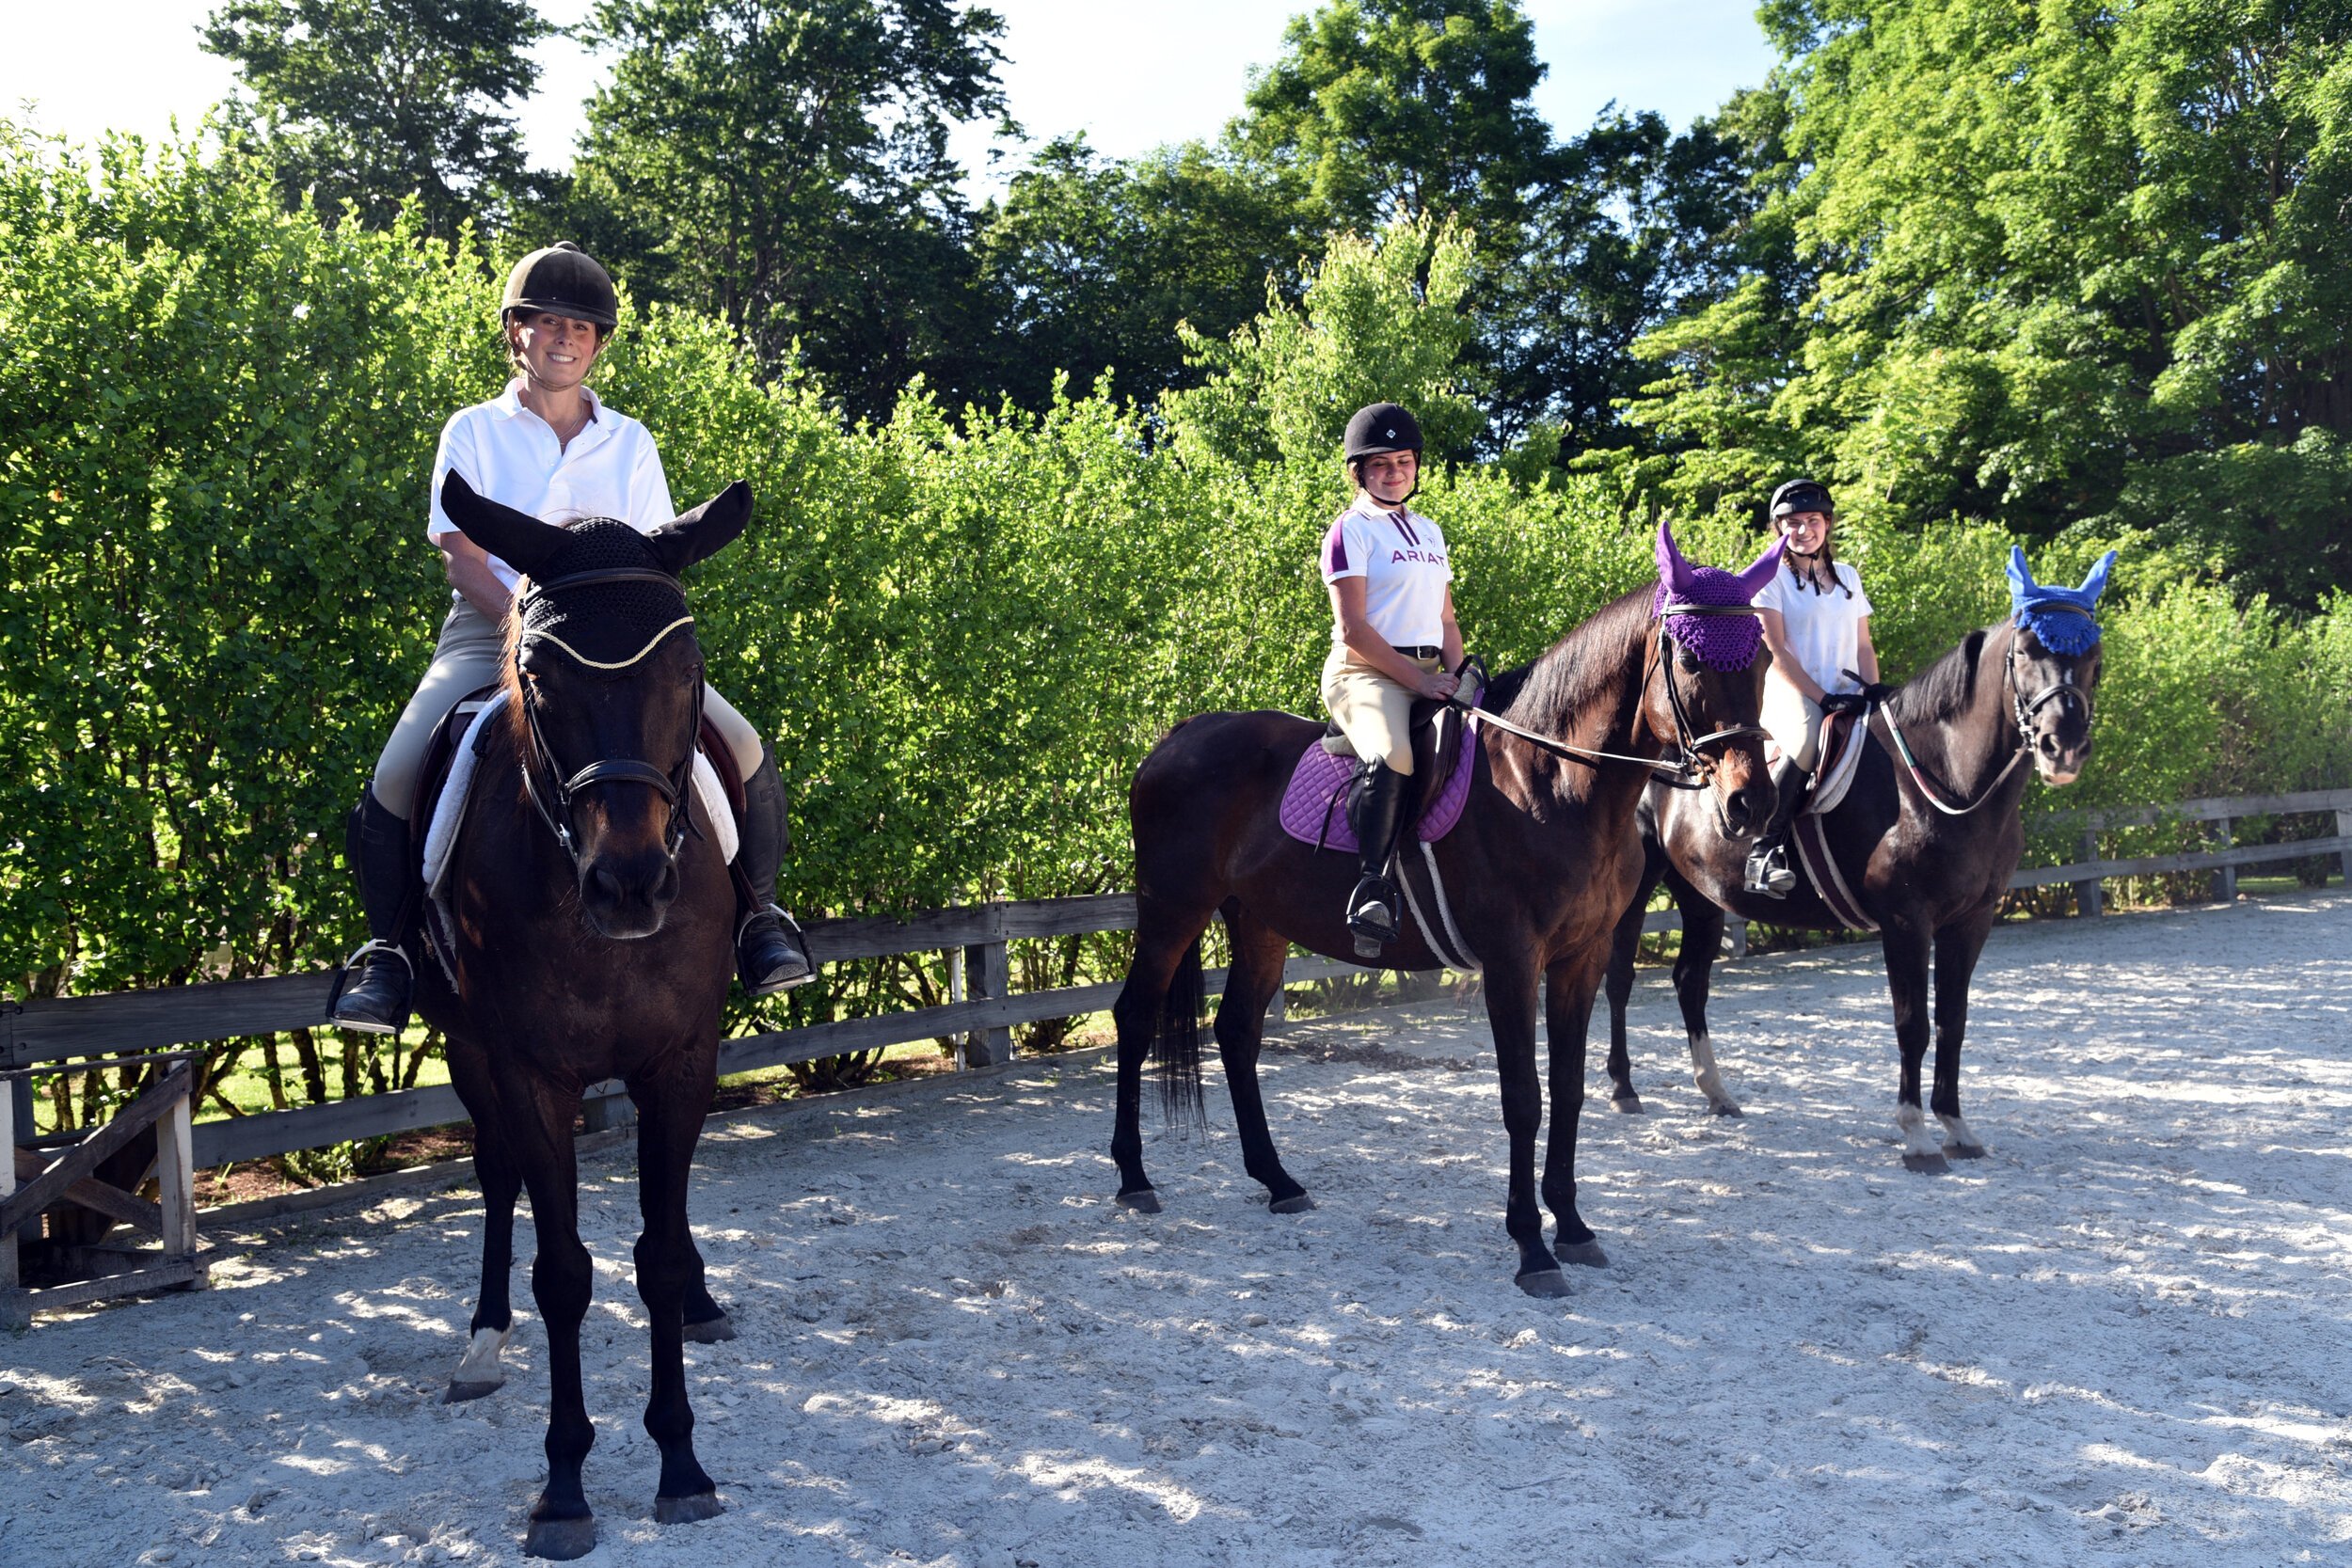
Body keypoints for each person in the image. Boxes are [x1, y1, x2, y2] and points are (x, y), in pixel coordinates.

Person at [330, 242, 814, 1033]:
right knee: (397, 769)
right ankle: (389, 952)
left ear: (598, 343)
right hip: (489, 629)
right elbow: (463, 557)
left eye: (581, 328)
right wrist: (525, 638)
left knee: (744, 744)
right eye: (547, 322)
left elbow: (653, 564)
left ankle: (760, 918)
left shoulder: (630, 440)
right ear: (515, 332)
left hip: (620, 651)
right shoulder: (474, 430)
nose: (564, 338)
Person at [1318, 403, 1470, 947]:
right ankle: (1373, 888)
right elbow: (1354, 630)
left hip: (1430, 669)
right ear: (1359, 472)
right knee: (1394, 753)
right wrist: (1420, 682)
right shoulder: (1349, 530)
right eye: (1380, 464)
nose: (1394, 472)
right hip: (1365, 674)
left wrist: (1465, 675)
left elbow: (1446, 619)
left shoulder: (1429, 531)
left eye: (1403, 461)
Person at [1744, 478, 1885, 896]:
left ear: (1827, 524)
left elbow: (1863, 646)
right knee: (1808, 738)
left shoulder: (1848, 577)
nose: (1803, 530)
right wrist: (1821, 699)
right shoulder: (1770, 579)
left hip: (1848, 691)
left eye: (1812, 520)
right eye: (1792, 522)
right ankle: (1764, 851)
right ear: (1778, 528)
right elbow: (1778, 652)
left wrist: (1874, 691)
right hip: (1790, 693)